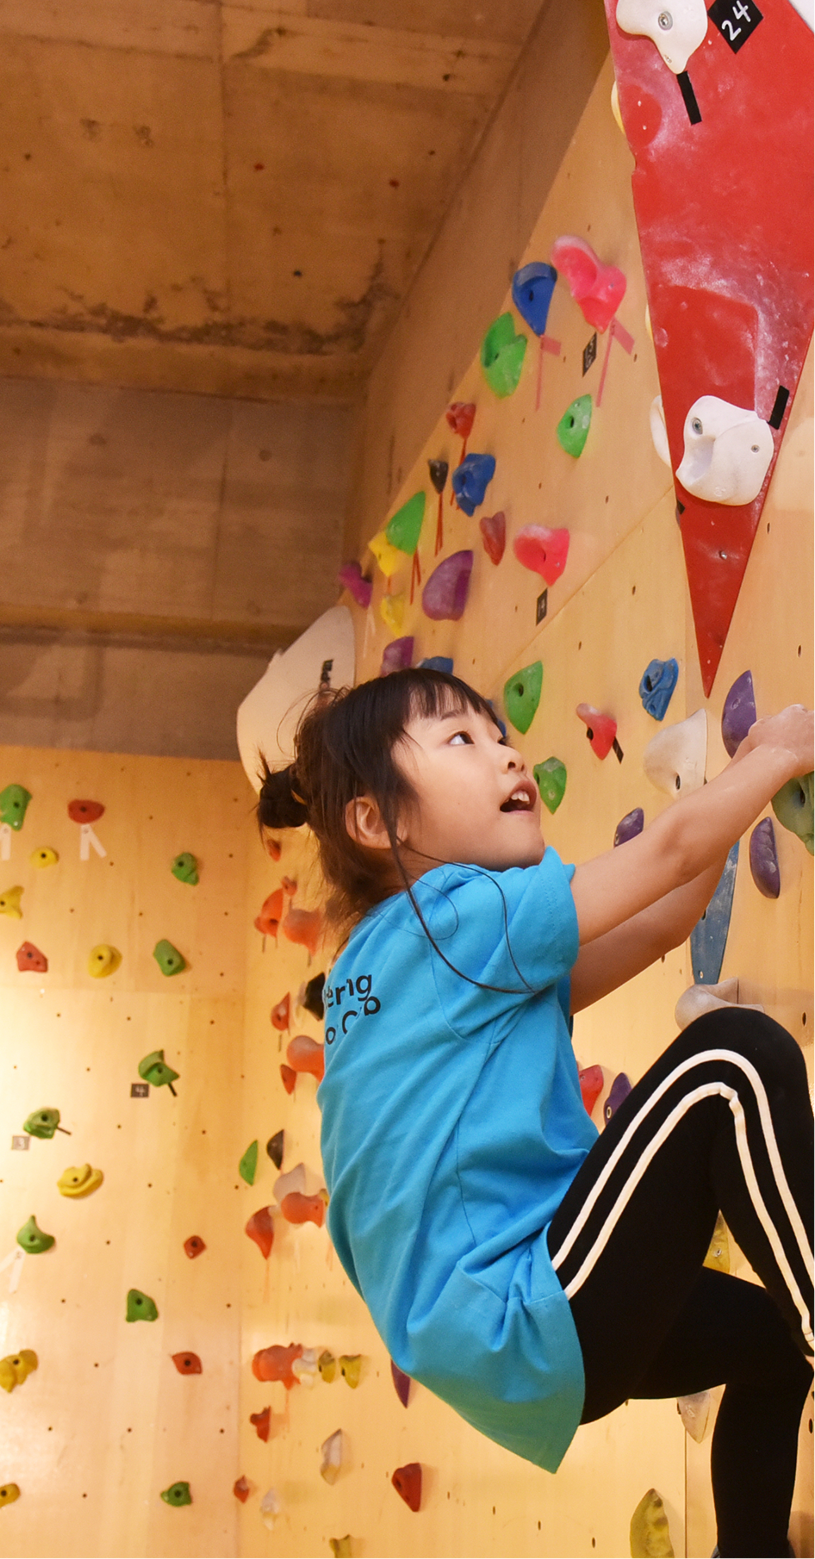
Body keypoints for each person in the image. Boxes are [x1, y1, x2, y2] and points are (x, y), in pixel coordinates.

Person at [258, 666, 815, 1559]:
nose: (507, 753)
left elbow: (661, 919)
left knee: (768, 1345)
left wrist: (742, 781)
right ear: (376, 821)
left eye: (498, 733)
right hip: (527, 1299)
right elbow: (670, 854)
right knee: (732, 1059)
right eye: (460, 739)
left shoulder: (402, 967)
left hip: (513, 1341)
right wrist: (774, 755)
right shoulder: (444, 921)